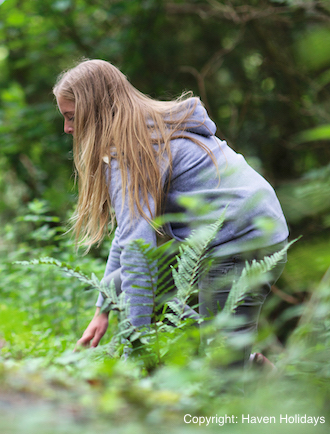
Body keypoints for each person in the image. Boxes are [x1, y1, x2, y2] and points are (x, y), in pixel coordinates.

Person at [54, 59, 288, 363]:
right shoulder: (147, 131)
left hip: (238, 239)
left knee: (222, 369)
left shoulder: (132, 152)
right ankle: (254, 368)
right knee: (176, 307)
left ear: (94, 110)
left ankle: (248, 381)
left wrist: (135, 347)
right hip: (263, 227)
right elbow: (129, 237)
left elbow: (138, 254)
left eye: (71, 117)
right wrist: (104, 308)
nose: (67, 128)